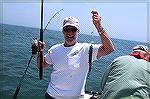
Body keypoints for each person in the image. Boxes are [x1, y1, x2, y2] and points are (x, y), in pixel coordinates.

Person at [37, 10, 115, 99]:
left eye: (73, 29)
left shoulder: (86, 49)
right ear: (63, 31)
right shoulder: (54, 49)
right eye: (66, 29)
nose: (69, 32)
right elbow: (41, 66)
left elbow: (109, 49)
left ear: (78, 31)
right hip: (51, 96)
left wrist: (99, 27)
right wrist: (40, 51)